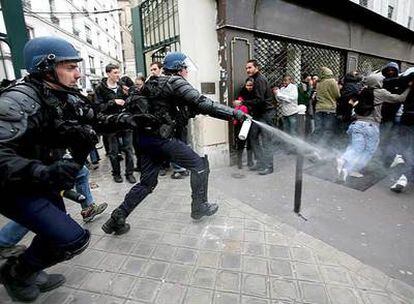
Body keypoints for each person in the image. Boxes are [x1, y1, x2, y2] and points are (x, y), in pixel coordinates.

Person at [101, 52, 248, 235]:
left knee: (147, 183)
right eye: (185, 68)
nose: (187, 71)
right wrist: (235, 113)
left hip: (145, 140)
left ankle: (117, 217)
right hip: (161, 140)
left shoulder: (153, 83)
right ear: (180, 68)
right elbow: (204, 104)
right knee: (199, 165)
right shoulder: (176, 82)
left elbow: (189, 108)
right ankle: (199, 207)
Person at [0, 36, 93, 302]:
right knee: (72, 238)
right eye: (70, 67)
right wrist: (40, 171)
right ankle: (15, 273)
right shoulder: (16, 99)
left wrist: (126, 119)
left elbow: (90, 119)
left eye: (77, 66)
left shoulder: (57, 94)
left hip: (42, 181)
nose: (78, 73)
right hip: (14, 187)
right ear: (46, 67)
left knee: (51, 235)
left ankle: (30, 268)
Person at [337, 74, 410, 181]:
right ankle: (354, 169)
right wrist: (409, 87)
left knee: (356, 147)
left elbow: (352, 102)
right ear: (378, 82)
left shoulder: (363, 91)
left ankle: (344, 161)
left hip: (357, 124)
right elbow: (400, 98)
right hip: (371, 125)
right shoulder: (380, 92)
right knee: (369, 150)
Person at [95, 64, 136, 183]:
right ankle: (116, 174)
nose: (118, 75)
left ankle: (129, 173)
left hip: (125, 122)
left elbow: (130, 102)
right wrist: (113, 102)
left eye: (118, 72)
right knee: (114, 152)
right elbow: (98, 107)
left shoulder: (122, 87)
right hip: (111, 123)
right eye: (115, 72)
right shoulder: (100, 88)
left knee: (128, 149)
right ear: (108, 73)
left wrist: (129, 96)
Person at [243, 59, 276, 175]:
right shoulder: (255, 80)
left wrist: (243, 103)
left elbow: (259, 100)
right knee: (253, 137)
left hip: (266, 114)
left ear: (256, 67)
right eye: (246, 68)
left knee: (266, 140)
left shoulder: (260, 80)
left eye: (250, 67)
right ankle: (261, 162)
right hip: (259, 114)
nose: (247, 70)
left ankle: (269, 166)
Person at [313, 67, 340, 147]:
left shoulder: (319, 83)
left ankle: (312, 146)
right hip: (329, 109)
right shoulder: (332, 81)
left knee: (318, 129)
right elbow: (337, 95)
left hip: (318, 109)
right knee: (327, 131)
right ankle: (319, 149)